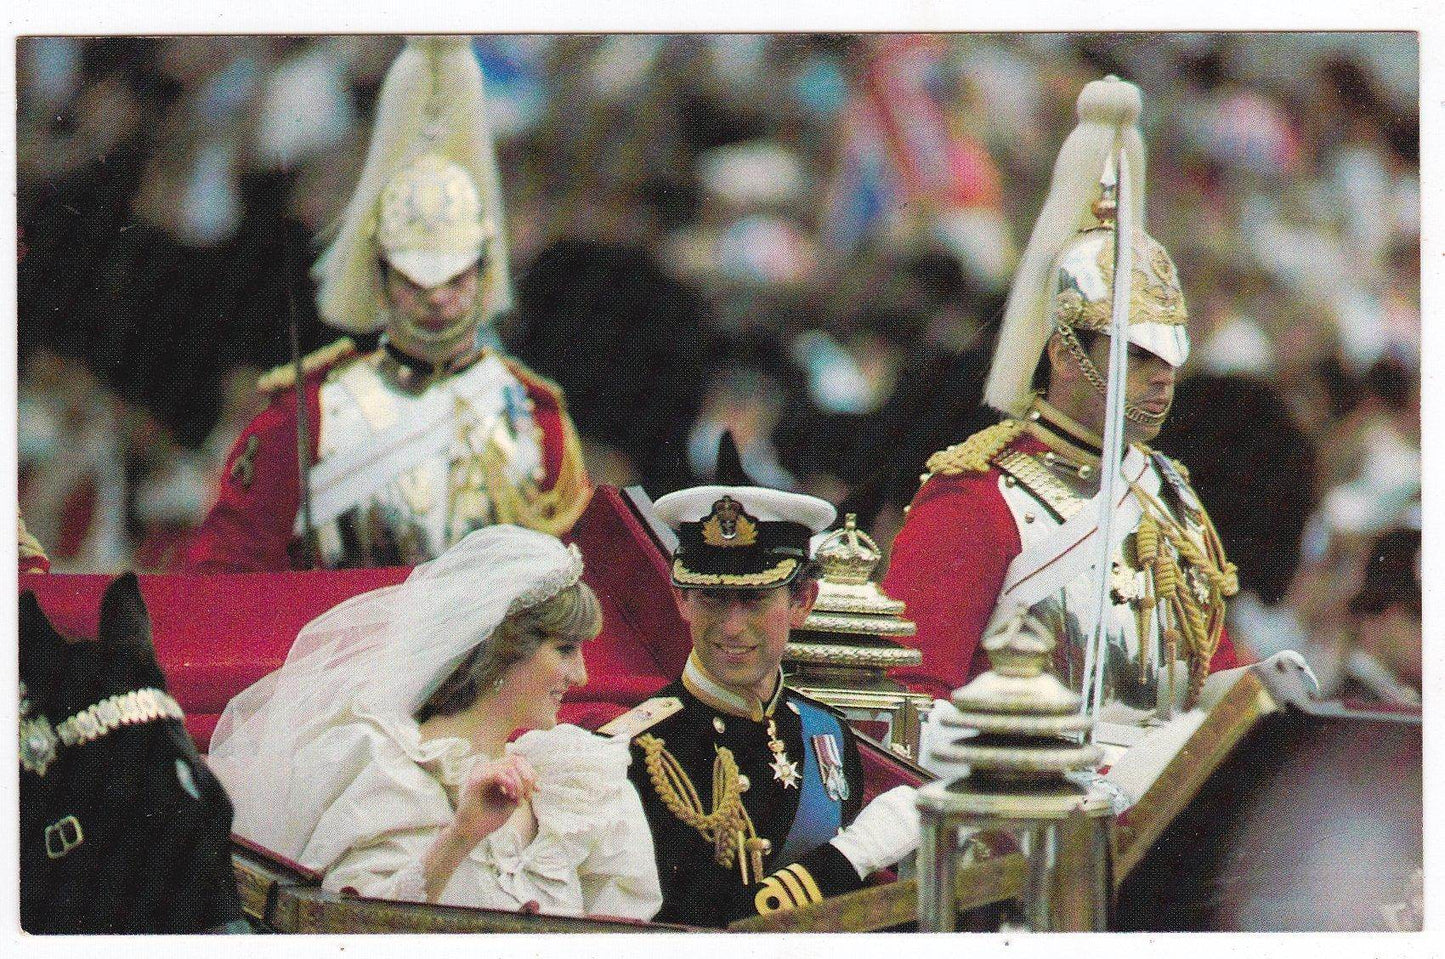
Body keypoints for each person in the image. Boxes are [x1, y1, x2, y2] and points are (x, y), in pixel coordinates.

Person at [884, 77, 1244, 722]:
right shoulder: (978, 500)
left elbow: (1205, 678)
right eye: (1136, 354)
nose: (1163, 377)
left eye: (1169, 355)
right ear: (1061, 349)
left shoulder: (1172, 496)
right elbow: (907, 706)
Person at [185, 37, 588, 573]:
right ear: (379, 272)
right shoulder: (307, 420)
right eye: (414, 280)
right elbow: (219, 582)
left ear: (484, 268)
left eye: (454, 278)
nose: (437, 300)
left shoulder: (538, 422)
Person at [207, 525, 661, 920]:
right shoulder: (387, 769)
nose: (581, 676)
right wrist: (459, 838)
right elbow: (351, 932)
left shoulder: (577, 785)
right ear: (506, 648)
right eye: (565, 650)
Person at [604, 433, 917, 927]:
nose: (731, 627)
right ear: (680, 599)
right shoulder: (634, 750)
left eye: (754, 601)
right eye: (710, 599)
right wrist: (849, 859)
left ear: (803, 602)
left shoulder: (826, 734)